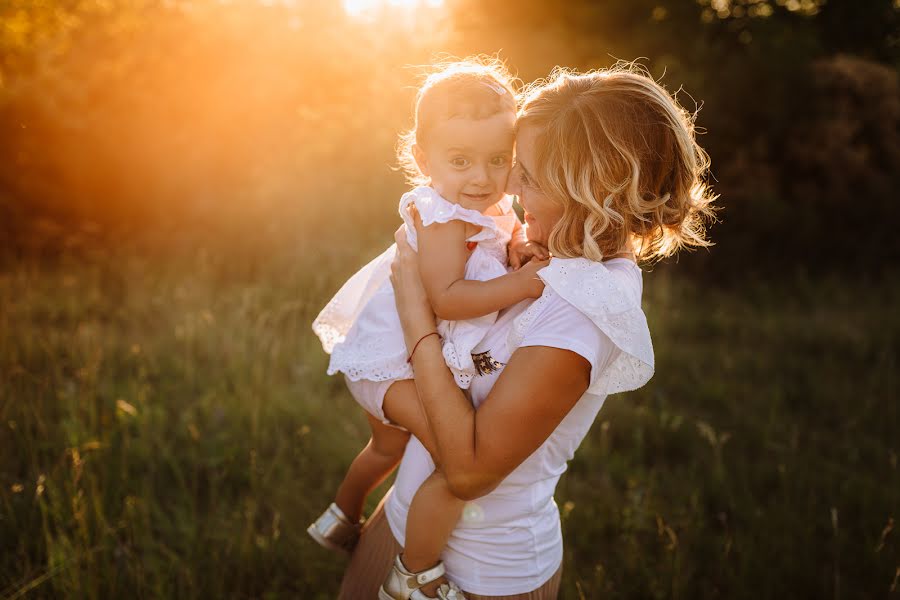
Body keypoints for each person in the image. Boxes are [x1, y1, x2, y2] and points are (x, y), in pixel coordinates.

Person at [337, 63, 716, 599]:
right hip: (402, 520)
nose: (510, 185)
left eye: (530, 176)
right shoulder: (548, 257)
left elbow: (467, 475)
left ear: (590, 193)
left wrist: (415, 314)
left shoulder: (585, 307)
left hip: (479, 575)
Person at [309, 58, 550, 600]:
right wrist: (524, 285)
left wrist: (515, 251)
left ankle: (339, 517)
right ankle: (414, 573)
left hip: (396, 360)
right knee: (451, 453)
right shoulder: (441, 216)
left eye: (497, 160)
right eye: (460, 160)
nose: (482, 177)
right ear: (423, 160)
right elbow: (446, 298)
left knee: (386, 447)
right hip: (388, 364)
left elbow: (492, 250)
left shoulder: (488, 204)